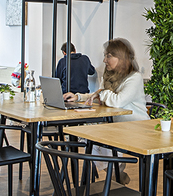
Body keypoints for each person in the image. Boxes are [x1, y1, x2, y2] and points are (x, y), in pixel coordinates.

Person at [64, 38, 149, 184]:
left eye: (108, 56)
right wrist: (78, 97)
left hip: (135, 127)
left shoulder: (134, 78)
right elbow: (99, 95)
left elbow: (117, 101)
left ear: (121, 57)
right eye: (105, 56)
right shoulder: (110, 76)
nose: (104, 60)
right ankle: (115, 170)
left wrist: (102, 93)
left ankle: (115, 170)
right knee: (85, 135)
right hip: (115, 125)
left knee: (95, 138)